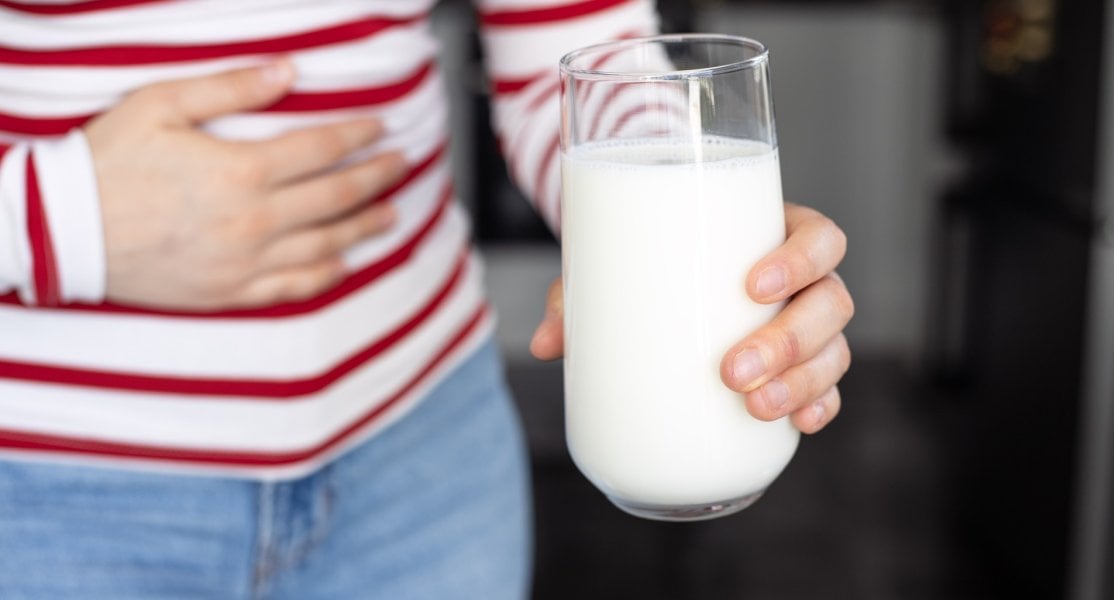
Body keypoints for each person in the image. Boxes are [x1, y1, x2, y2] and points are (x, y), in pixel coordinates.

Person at [0, 0, 852, 598]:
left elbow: (574, 46)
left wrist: (676, 214)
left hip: (422, 455)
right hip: (41, 495)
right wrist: (54, 221)